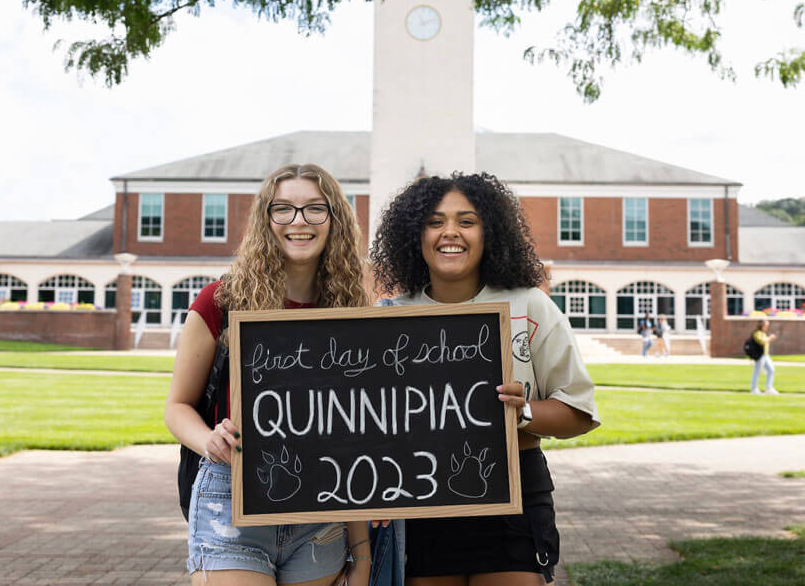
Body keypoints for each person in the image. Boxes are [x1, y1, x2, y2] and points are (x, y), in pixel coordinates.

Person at [370, 172, 601, 586]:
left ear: (489, 231)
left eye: (467, 220)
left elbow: (579, 412)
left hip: (512, 497)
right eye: (435, 221)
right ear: (415, 234)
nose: (450, 233)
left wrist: (523, 412)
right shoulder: (389, 316)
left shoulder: (530, 305)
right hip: (421, 499)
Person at [165, 163, 372, 586]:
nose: (299, 222)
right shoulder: (220, 301)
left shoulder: (350, 310)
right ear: (266, 218)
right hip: (232, 494)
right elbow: (177, 407)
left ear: (335, 219)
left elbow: (353, 438)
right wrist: (208, 440)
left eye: (315, 209)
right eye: (284, 209)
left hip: (322, 506)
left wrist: (361, 548)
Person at [750, 318, 779, 395]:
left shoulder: (763, 333)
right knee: (757, 372)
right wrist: (770, 338)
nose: (767, 327)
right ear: (761, 325)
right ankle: (754, 389)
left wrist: (768, 338)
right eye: (766, 325)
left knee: (771, 370)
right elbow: (762, 341)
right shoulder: (757, 333)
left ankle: (769, 388)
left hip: (765, 355)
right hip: (759, 355)